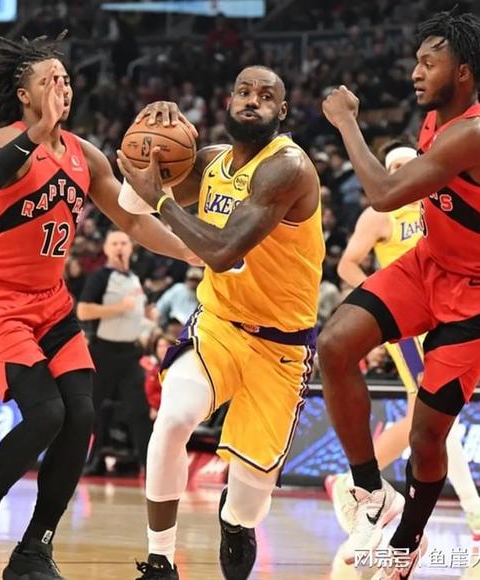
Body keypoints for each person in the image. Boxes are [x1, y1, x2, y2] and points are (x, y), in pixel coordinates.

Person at [0, 33, 195, 580]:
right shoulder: (7, 139)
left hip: (51, 302)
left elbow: (133, 223)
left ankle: (34, 549)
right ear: (25, 94)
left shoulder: (86, 155)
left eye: (65, 78)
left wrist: (193, 250)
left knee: (80, 416)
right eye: (49, 80)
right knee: (47, 413)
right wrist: (37, 132)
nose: (62, 86)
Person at [318, 11, 480, 578]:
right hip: (429, 265)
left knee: (426, 435)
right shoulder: (443, 121)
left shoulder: (473, 132)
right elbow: (465, 171)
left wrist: (346, 121)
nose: (415, 72)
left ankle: (407, 542)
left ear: (463, 72)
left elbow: (384, 193)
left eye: (428, 63)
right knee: (336, 344)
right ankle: (371, 493)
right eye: (416, 61)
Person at [118, 65, 323, 579]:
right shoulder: (208, 161)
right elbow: (130, 204)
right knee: (172, 420)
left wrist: (161, 197)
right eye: (243, 92)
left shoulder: (288, 168)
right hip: (220, 325)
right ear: (228, 102)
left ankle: (234, 521)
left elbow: (224, 250)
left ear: (282, 111)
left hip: (282, 346)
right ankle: (160, 561)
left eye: (265, 96)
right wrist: (148, 144)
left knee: (249, 505)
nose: (252, 101)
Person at [326, 139, 480, 541]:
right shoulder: (380, 214)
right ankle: (469, 507)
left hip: (445, 310)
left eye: (407, 164)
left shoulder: (434, 203)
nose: (401, 172)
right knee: (427, 412)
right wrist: (379, 302)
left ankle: (352, 482)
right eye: (393, 167)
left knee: (434, 415)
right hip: (404, 318)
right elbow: (346, 264)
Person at [77, 229, 153, 477]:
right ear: (106, 249)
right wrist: (119, 308)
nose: (120, 247)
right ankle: (84, 461)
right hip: (103, 352)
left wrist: (147, 320)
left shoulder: (135, 278)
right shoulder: (100, 277)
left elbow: (138, 313)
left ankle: (149, 466)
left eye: (123, 243)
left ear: (131, 247)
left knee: (139, 411)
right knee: (92, 411)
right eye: (115, 243)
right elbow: (83, 311)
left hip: (130, 354)